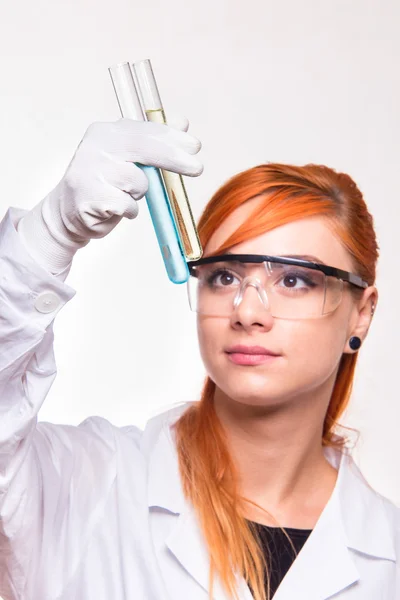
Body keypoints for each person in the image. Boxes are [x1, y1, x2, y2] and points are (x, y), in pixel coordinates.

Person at [0, 117, 398, 600]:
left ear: (361, 313)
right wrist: (48, 236)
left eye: (294, 280)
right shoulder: (85, 487)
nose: (248, 311)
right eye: (225, 276)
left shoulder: (388, 556)